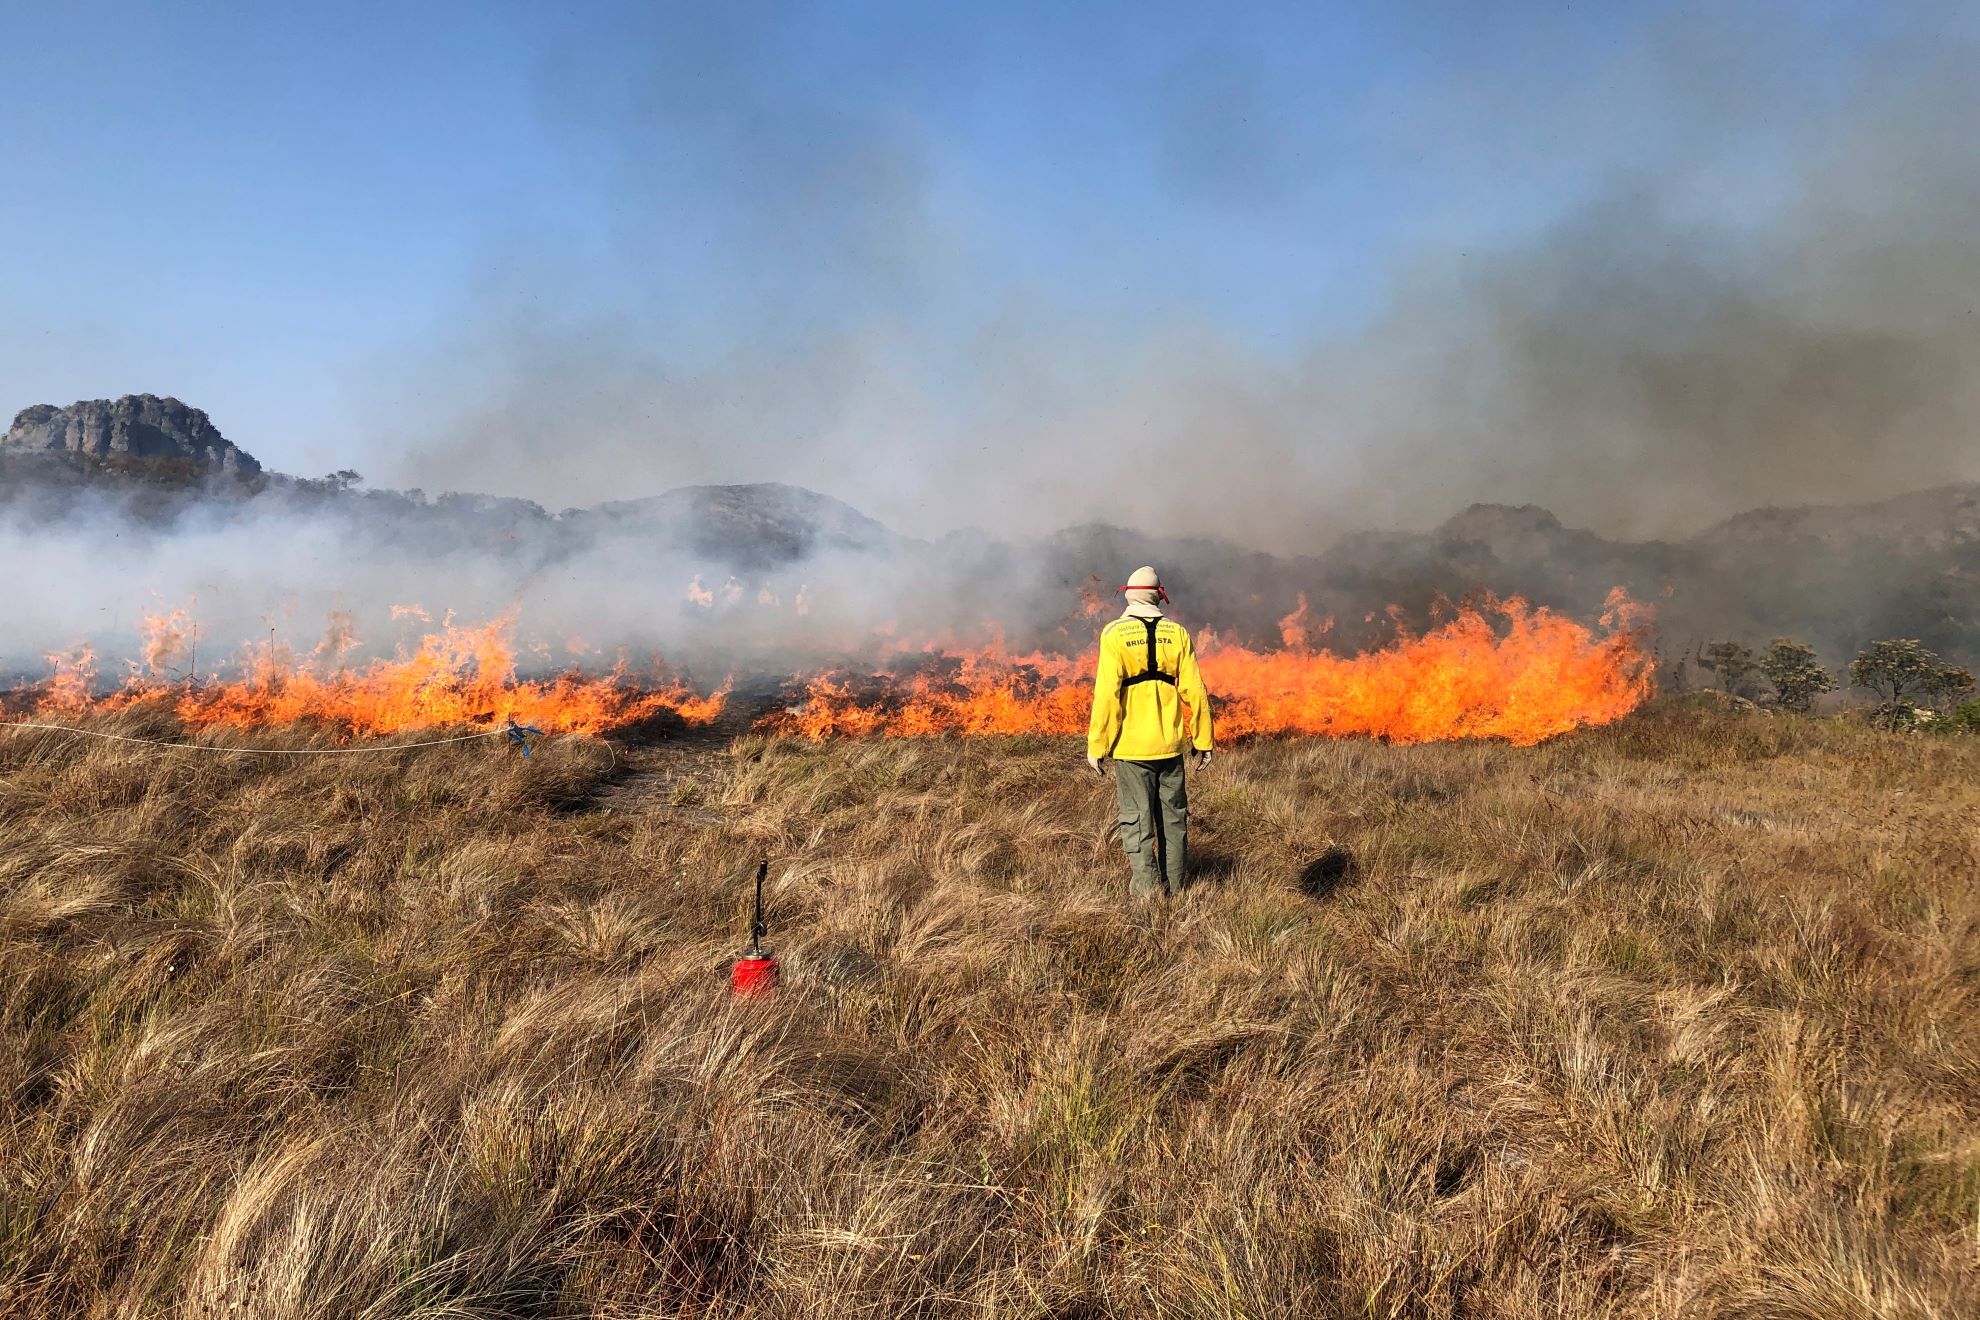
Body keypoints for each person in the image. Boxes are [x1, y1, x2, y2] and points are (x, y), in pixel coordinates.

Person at [1086, 565, 1214, 899]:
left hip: (1132, 749)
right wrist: (1203, 740)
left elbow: (1106, 696)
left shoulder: (1114, 634)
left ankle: (1147, 896)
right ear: (1159, 595)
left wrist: (1097, 745)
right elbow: (1195, 692)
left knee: (1136, 822)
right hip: (1171, 746)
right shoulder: (1178, 634)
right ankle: (1174, 889)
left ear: (1129, 594)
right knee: (1173, 822)